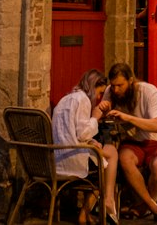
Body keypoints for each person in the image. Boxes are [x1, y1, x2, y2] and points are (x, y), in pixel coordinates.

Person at [105, 61, 157, 223]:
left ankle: (142, 207)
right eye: (113, 85)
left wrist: (127, 117)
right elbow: (104, 116)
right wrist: (103, 110)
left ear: (131, 80)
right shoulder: (111, 92)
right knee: (124, 158)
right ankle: (154, 207)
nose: (116, 90)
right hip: (134, 143)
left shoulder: (148, 91)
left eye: (120, 85)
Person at [52, 69, 120, 225]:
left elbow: (69, 132)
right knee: (107, 162)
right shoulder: (83, 100)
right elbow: (82, 133)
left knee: (104, 153)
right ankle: (97, 206)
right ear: (92, 86)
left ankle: (95, 209)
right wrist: (95, 117)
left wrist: (90, 142)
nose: (98, 97)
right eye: (99, 92)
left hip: (58, 156)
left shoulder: (66, 99)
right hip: (72, 159)